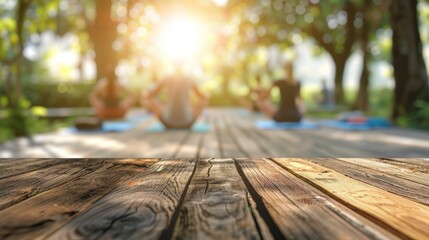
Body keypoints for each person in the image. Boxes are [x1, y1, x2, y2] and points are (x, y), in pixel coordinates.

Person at [143, 64, 208, 129]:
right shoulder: (190, 79)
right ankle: (186, 113)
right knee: (204, 101)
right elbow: (202, 97)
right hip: (188, 123)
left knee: (149, 100)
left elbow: (150, 95)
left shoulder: (166, 78)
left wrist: (145, 94)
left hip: (167, 123)